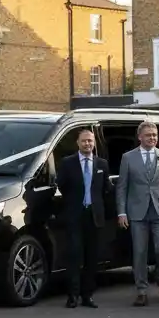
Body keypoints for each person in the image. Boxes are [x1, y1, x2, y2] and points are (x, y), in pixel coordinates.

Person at [116, 120, 159, 306]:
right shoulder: (128, 158)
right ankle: (142, 290)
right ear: (139, 137)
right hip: (137, 212)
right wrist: (121, 212)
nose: (152, 138)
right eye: (148, 135)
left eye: (154, 135)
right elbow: (122, 187)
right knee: (140, 252)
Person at [56, 127, 111, 308]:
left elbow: (105, 189)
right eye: (84, 141)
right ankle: (73, 295)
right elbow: (62, 186)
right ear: (78, 143)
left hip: (94, 216)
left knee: (91, 257)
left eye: (90, 141)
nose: (88, 144)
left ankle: (88, 295)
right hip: (75, 215)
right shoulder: (67, 163)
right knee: (74, 255)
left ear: (94, 143)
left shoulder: (101, 164)